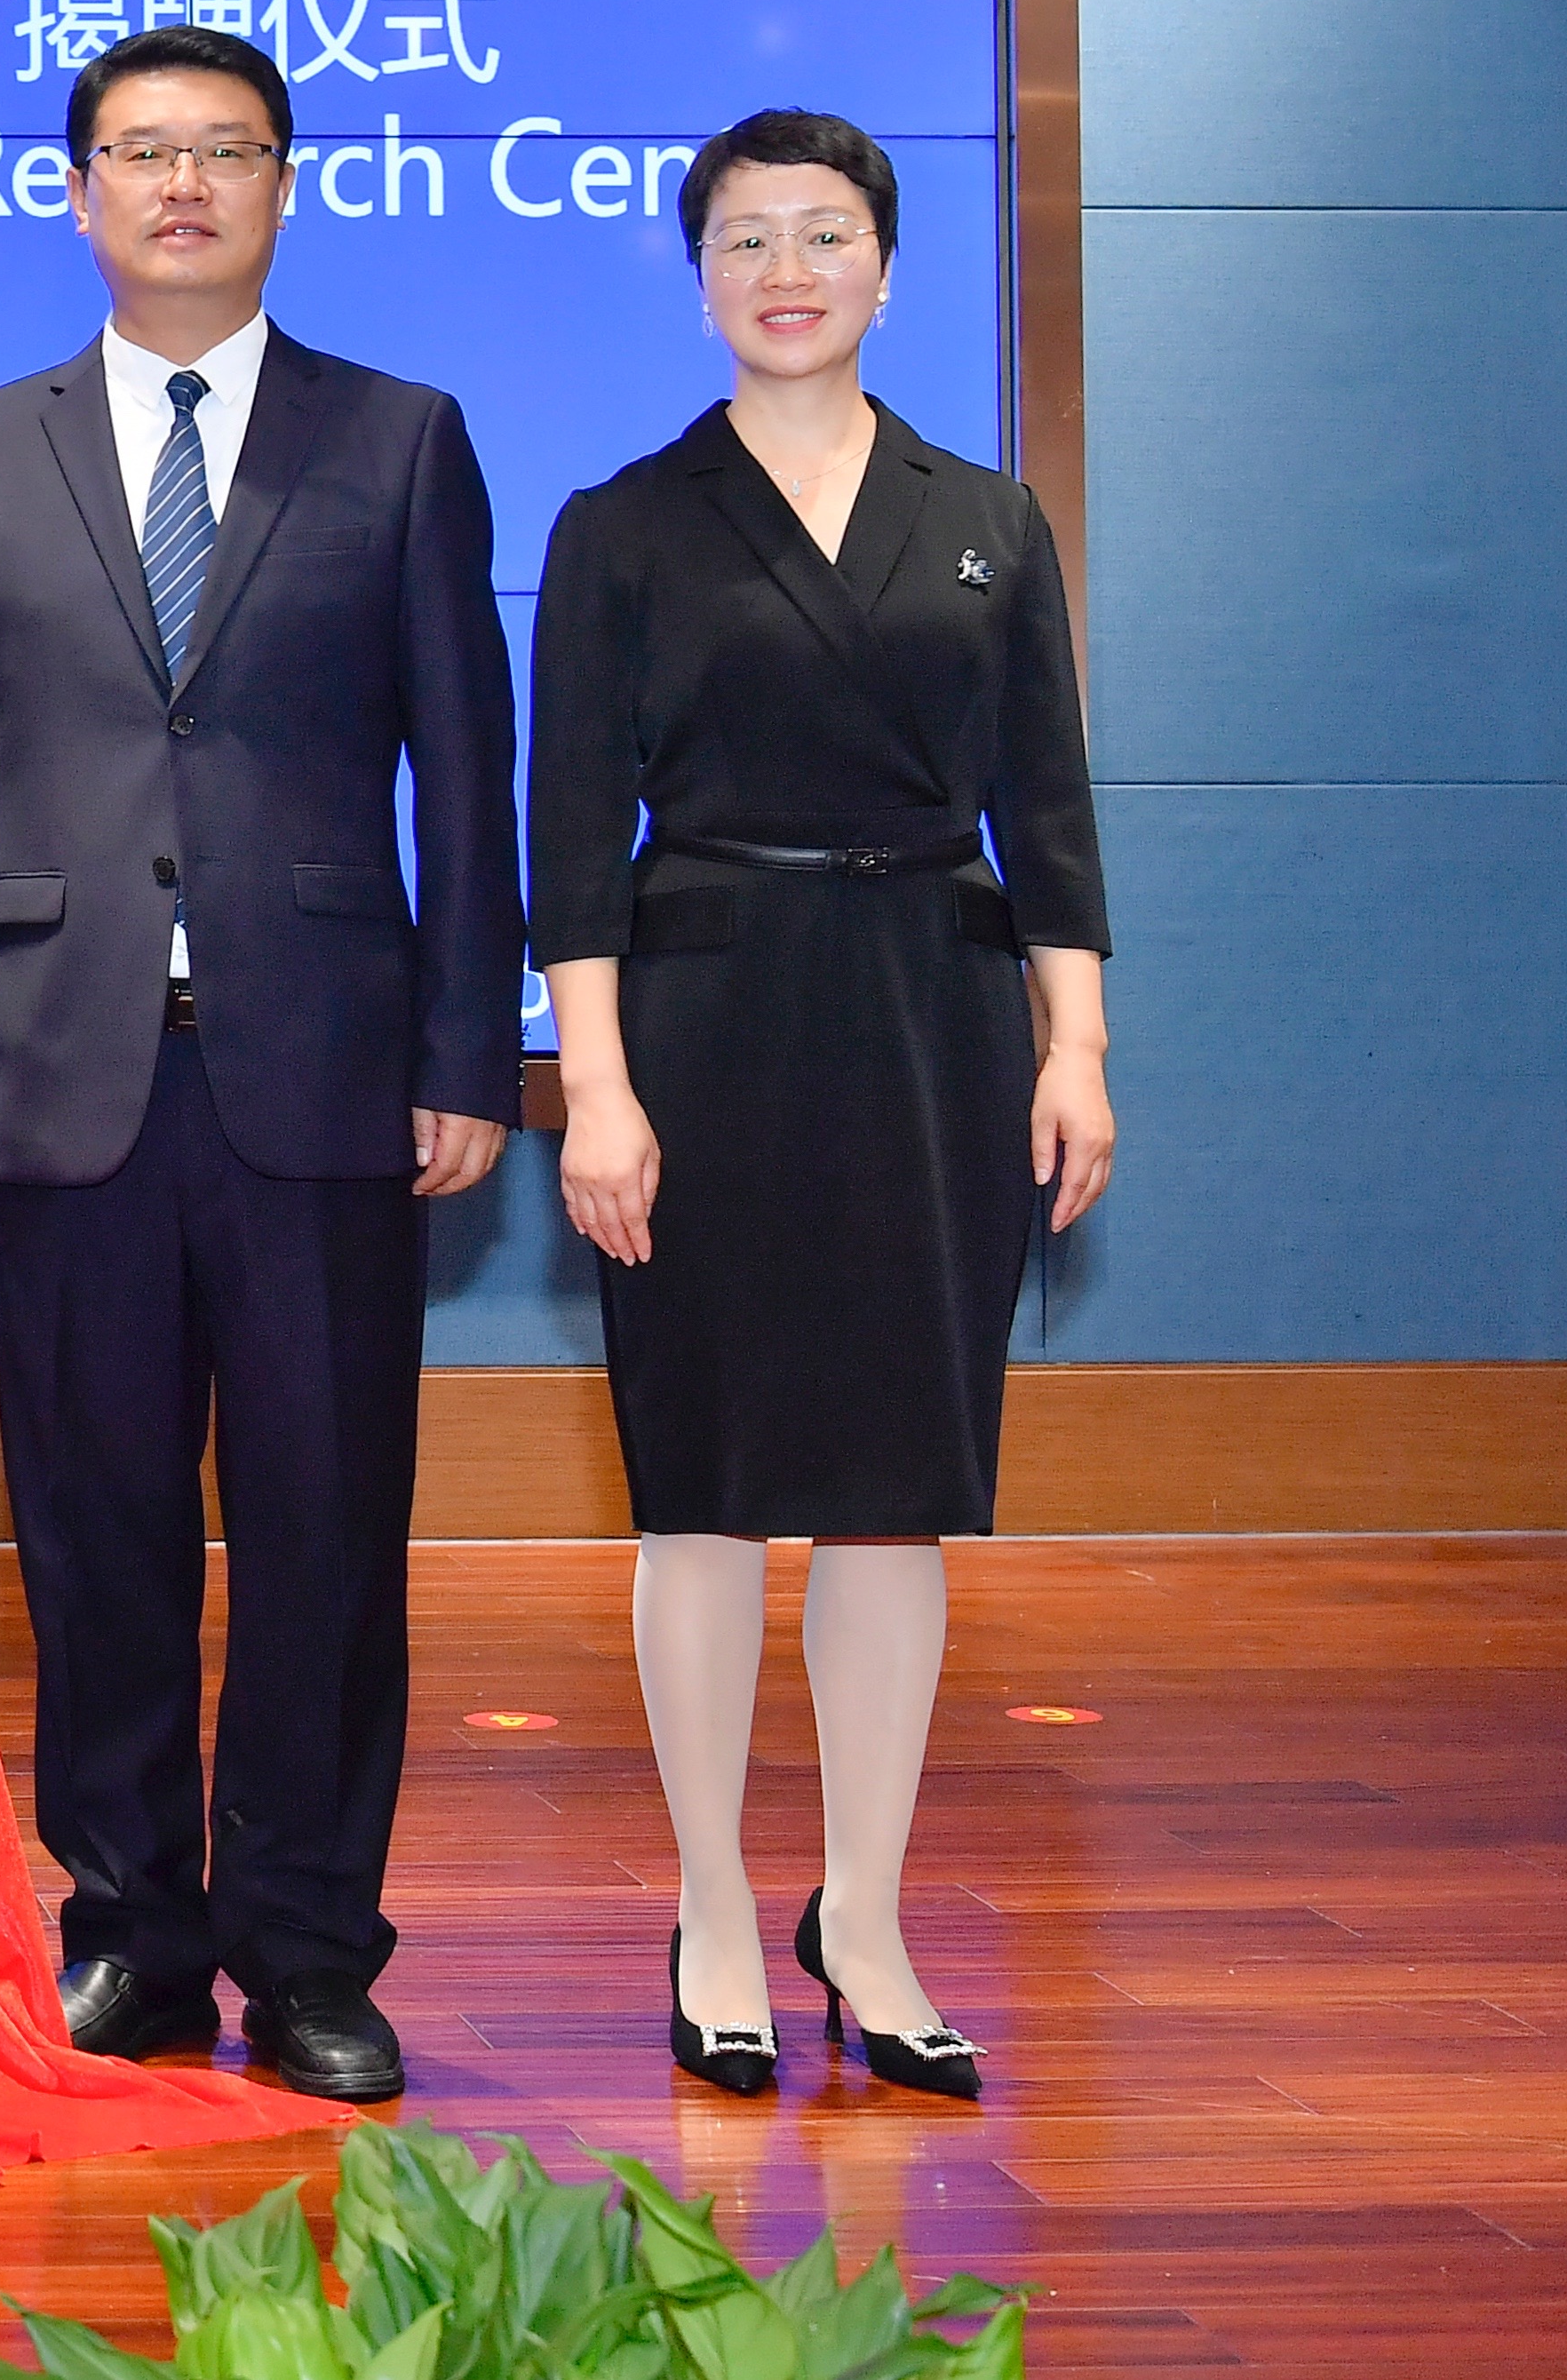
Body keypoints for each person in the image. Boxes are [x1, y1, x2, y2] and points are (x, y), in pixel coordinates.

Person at [0, 23, 524, 2102]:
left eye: (225, 150)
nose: (182, 185)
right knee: (97, 1532)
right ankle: (133, 1932)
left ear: (284, 187)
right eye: (142, 152)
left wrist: (470, 1048)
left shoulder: (399, 437)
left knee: (327, 1528)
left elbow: (468, 775)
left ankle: (310, 1947)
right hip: (63, 1075)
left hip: (324, 1072)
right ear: (79, 194)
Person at [529, 109, 1113, 2105]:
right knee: (700, 1483)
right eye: (748, 238)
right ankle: (711, 1907)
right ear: (698, 274)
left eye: (827, 233)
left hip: (932, 1019)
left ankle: (863, 1916)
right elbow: (568, 838)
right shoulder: (623, 521)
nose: (788, 270)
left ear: (886, 263)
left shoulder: (985, 517)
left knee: (891, 1483)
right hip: (700, 1016)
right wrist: (593, 1086)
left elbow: (1047, 809)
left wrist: (1074, 1043)